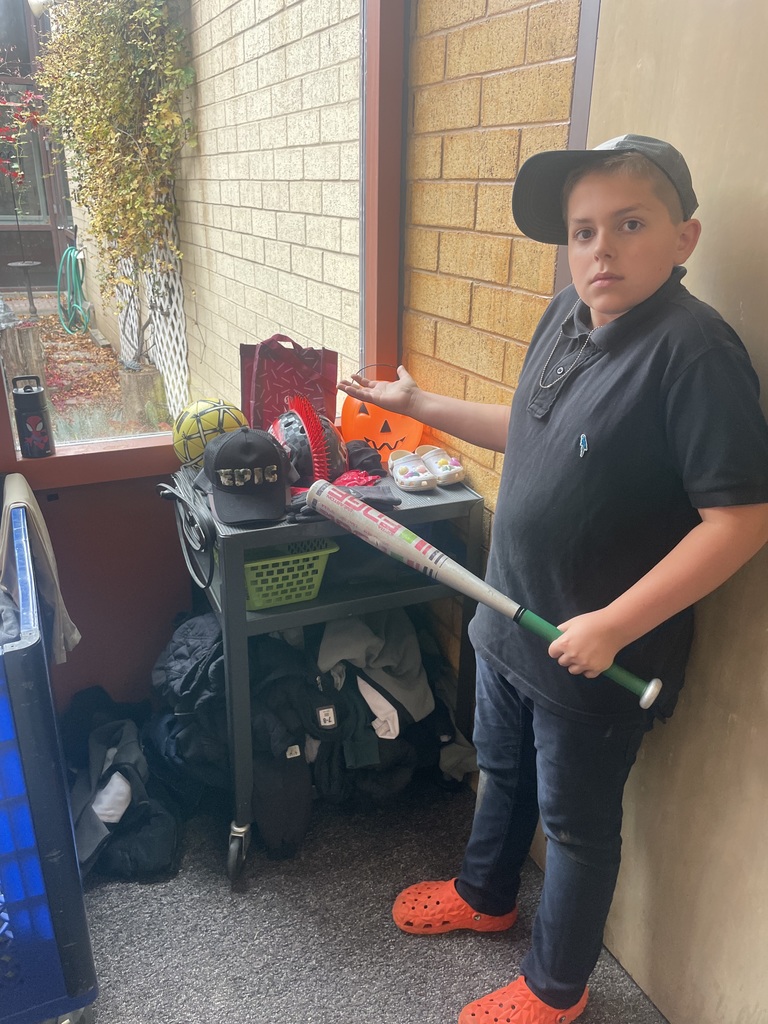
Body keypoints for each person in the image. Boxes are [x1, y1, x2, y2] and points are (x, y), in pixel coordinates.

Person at [338, 135, 768, 1024]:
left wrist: (611, 622)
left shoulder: (696, 355)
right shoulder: (566, 312)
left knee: (575, 827)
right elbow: (527, 431)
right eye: (581, 232)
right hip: (509, 619)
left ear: (684, 238)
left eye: (629, 224)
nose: (599, 250)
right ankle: (487, 893)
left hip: (595, 657)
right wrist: (420, 407)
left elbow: (741, 521)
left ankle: (556, 989)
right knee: (500, 769)